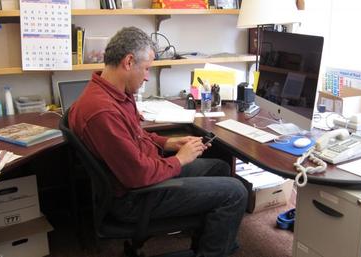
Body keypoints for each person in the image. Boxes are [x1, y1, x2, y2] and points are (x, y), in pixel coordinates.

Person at [69, 27, 248, 257]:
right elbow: (138, 174)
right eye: (146, 69)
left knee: (220, 167)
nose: (146, 76)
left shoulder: (113, 92)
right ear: (129, 61)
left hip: (143, 176)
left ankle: (213, 244)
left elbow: (135, 137)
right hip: (137, 197)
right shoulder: (102, 111)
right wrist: (179, 160)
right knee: (236, 192)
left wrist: (168, 143)